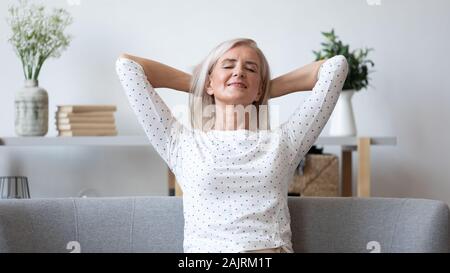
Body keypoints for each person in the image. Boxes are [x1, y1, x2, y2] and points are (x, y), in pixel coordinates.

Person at [116, 38, 348, 253]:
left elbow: (335, 67)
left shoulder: (285, 141)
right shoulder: (180, 143)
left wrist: (262, 90)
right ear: (209, 81)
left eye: (250, 69)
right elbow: (128, 65)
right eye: (228, 66)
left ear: (260, 88)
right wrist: (202, 85)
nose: (239, 71)